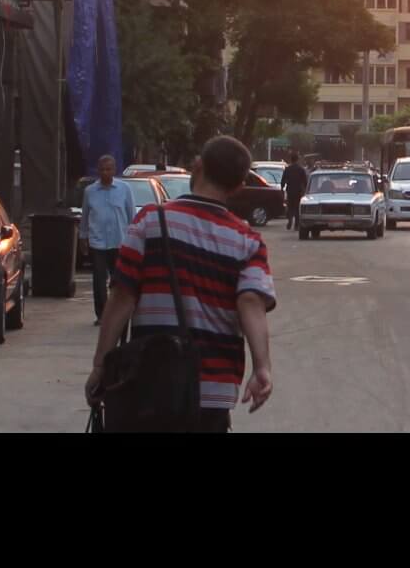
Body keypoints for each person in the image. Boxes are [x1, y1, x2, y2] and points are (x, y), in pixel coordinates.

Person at [87, 135, 277, 431]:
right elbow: (251, 303)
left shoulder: (150, 221)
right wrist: (262, 367)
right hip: (213, 393)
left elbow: (122, 296)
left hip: (152, 386)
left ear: (197, 166)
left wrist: (101, 365)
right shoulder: (247, 240)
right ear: (238, 187)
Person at [81, 154, 144, 325]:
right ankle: (101, 315)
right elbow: (85, 216)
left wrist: (134, 240)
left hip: (119, 242)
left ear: (114, 170)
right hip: (98, 242)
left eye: (108, 169)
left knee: (119, 281)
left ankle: (118, 313)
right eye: (102, 170)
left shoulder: (124, 189)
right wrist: (83, 238)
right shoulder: (90, 192)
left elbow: (132, 216)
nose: (105, 173)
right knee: (98, 280)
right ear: (98, 171)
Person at [282, 157, 310, 229]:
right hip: (298, 191)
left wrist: (282, 188)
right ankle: (296, 224)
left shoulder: (287, 169)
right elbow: (305, 181)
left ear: (291, 160)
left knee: (290, 207)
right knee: (297, 207)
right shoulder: (301, 169)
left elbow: (283, 180)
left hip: (290, 190)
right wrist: (306, 190)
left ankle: (290, 220)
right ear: (297, 160)